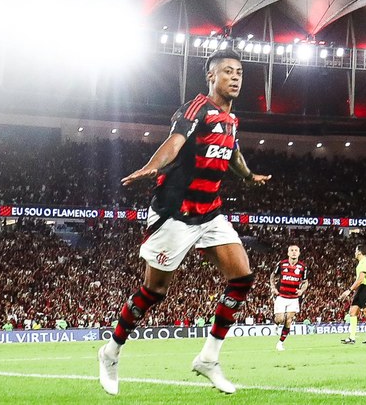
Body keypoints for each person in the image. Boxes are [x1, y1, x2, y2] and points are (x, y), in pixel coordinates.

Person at [97, 48, 272, 396]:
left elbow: (233, 153)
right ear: (211, 76)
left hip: (210, 212)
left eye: (239, 72)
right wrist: (152, 166)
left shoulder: (231, 121)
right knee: (154, 292)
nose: (235, 77)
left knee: (242, 278)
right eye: (227, 71)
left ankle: (209, 358)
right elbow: (175, 142)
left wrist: (249, 175)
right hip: (175, 212)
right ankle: (111, 352)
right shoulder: (197, 108)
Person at [270, 244, 308, 351]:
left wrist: (302, 290)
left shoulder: (302, 267)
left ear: (299, 253)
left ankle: (280, 343)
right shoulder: (281, 264)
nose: (294, 252)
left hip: (294, 298)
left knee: (289, 320)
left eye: (296, 250)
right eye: (292, 250)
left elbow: (305, 281)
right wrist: (273, 287)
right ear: (288, 253)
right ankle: (276, 324)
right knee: (280, 319)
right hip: (281, 296)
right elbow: (273, 275)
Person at [339, 246, 366, 344]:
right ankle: (352, 338)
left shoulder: (364, 262)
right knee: (353, 311)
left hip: (365, 288)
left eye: (355, 250)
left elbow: (360, 279)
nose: (354, 252)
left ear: (359, 252)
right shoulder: (362, 263)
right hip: (360, 289)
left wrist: (349, 290)